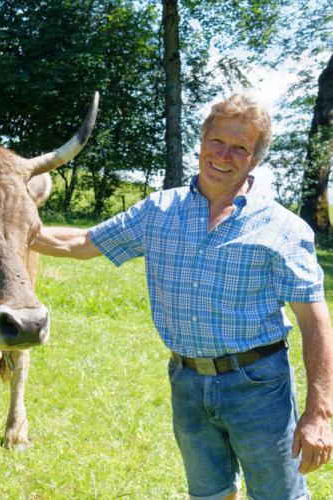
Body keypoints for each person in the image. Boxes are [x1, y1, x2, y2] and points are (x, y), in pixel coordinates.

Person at [32, 94, 333, 499]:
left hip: (258, 386)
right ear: (202, 141)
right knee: (209, 495)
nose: (223, 155)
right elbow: (82, 242)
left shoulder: (283, 227)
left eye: (240, 148)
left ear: (255, 159)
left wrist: (320, 412)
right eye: (217, 141)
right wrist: (5, 231)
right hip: (187, 381)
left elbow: (314, 321)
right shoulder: (159, 211)